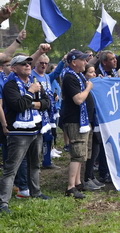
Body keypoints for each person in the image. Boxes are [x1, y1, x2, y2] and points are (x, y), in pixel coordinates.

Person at [0, 55, 51, 214]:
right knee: (11, 168)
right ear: (14, 68)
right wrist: (30, 93)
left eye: (29, 63)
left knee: (35, 164)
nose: (28, 66)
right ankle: (3, 203)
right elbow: (18, 106)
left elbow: (46, 103)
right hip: (18, 133)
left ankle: (35, 192)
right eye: (23, 64)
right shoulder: (10, 85)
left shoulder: (33, 83)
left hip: (36, 130)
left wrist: (33, 103)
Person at [61, 50, 94, 199]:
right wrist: (88, 88)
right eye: (83, 60)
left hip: (81, 120)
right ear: (74, 62)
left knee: (82, 154)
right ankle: (70, 187)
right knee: (77, 153)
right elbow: (78, 99)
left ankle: (78, 182)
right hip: (74, 121)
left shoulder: (78, 75)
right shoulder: (69, 77)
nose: (86, 63)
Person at [31, 54, 65, 169]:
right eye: (41, 63)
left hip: (49, 111)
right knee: (38, 139)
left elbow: (56, 73)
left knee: (49, 136)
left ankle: (47, 161)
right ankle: (36, 163)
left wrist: (63, 61)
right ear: (36, 63)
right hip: (37, 111)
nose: (44, 65)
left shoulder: (46, 76)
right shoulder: (32, 75)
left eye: (46, 63)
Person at [81, 64, 105, 191]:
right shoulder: (84, 86)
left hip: (97, 122)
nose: (94, 74)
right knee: (90, 151)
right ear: (85, 75)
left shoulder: (95, 84)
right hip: (88, 121)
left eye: (94, 72)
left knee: (96, 149)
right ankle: (86, 178)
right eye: (90, 72)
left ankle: (91, 175)